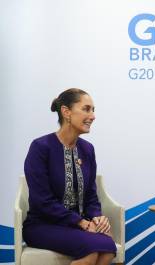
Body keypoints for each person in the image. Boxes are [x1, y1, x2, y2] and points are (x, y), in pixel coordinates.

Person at [23, 88, 116, 265]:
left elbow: (90, 194)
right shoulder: (40, 147)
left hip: (77, 224)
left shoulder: (87, 149)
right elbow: (42, 201)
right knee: (92, 249)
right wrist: (81, 222)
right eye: (86, 109)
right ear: (66, 112)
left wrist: (96, 216)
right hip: (42, 225)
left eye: (93, 110)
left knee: (107, 246)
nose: (93, 116)